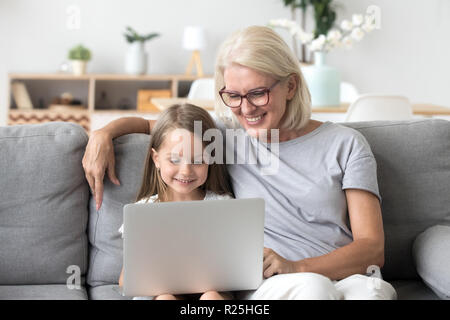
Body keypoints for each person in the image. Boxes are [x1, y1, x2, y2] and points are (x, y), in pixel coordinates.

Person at [83, 26, 397, 300]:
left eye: (257, 93)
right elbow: (163, 127)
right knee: (314, 291)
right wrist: (103, 134)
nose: (245, 109)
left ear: (290, 86)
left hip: (348, 276)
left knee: (371, 294)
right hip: (277, 284)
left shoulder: (346, 144)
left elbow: (372, 249)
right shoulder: (225, 138)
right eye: (233, 95)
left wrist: (298, 265)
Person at [117, 103, 234, 300]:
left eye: (197, 161)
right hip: (160, 294)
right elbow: (125, 280)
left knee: (211, 296)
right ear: (156, 159)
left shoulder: (223, 205)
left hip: (211, 292)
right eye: (174, 160)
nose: (186, 171)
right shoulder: (142, 212)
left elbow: (234, 267)